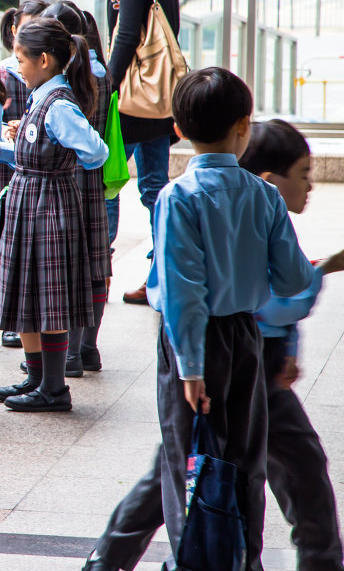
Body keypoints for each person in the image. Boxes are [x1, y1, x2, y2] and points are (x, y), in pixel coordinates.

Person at [82, 118, 344, 571]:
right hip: (235, 365)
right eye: (303, 174)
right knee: (209, 469)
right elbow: (269, 301)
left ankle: (110, 560)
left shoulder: (243, 208)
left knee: (195, 468)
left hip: (243, 365)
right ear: (269, 180)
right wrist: (321, 272)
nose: (311, 186)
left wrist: (288, 349)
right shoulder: (243, 208)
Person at [0, 18, 107, 413]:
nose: (16, 65)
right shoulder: (40, 96)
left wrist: (60, 157)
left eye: (21, 59)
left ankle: (54, 388)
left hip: (49, 206)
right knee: (31, 291)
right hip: (32, 201)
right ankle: (37, 377)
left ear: (43, 59)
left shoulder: (58, 105)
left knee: (49, 296)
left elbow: (96, 152)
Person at [103, 0, 184, 305]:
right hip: (159, 97)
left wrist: (105, 86)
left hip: (132, 99)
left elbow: (126, 36)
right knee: (155, 188)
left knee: (107, 181)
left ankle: (95, 269)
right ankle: (161, 278)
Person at [42, 2, 113, 377]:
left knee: (67, 267)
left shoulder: (61, 81)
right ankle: (89, 348)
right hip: (93, 181)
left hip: (65, 178)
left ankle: (66, 354)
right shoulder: (100, 71)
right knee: (96, 264)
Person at [0, 0, 47, 351]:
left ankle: (47, 375)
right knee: (11, 259)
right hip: (14, 180)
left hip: (35, 184)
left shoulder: (52, 96)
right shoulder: (10, 75)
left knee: (30, 267)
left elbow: (90, 150)